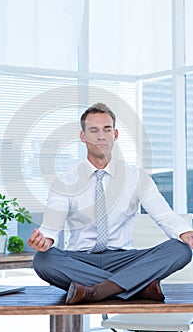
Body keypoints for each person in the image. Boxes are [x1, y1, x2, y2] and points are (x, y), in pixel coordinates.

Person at [28, 102, 193, 305]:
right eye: (93, 130)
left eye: (107, 129)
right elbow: (51, 228)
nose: (101, 136)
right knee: (43, 260)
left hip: (125, 260)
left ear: (115, 135)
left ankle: (97, 291)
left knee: (180, 250)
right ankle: (137, 288)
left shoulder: (136, 177)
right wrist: (45, 240)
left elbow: (164, 215)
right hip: (81, 260)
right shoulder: (65, 181)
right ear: (83, 136)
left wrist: (184, 232)